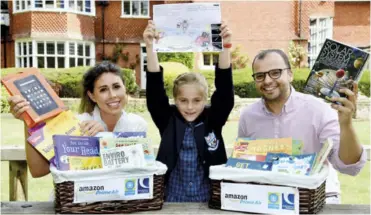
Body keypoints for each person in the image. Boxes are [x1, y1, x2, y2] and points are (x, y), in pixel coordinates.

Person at [238, 49, 367, 204]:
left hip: (317, 199)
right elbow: (243, 165)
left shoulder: (319, 109)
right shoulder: (248, 117)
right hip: (269, 201)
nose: (267, 81)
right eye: (260, 76)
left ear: (290, 75)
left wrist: (346, 125)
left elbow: (349, 166)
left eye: (275, 72)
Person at [143, 20, 234, 202]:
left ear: (205, 99)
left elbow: (224, 91)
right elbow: (154, 92)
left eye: (197, 100)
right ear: (175, 100)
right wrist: (150, 46)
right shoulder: (168, 120)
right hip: (172, 199)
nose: (190, 107)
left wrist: (225, 46)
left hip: (208, 200)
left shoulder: (213, 119)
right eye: (183, 101)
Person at [7, 61, 147, 178]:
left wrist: (104, 138)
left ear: (125, 88)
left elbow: (137, 169)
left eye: (116, 87)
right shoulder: (78, 123)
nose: (112, 95)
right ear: (92, 96)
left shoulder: (137, 124)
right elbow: (39, 171)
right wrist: (28, 118)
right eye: (103, 90)